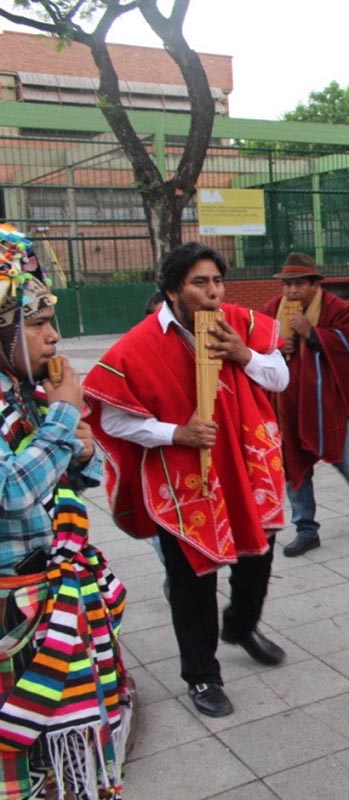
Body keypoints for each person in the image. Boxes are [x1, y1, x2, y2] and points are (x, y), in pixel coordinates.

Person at [84, 241, 290, 718]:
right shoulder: (138, 345)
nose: (213, 292)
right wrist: (174, 431)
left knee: (257, 557)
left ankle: (239, 624)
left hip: (244, 464)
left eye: (217, 281)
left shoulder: (240, 323)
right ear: (173, 289)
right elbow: (113, 420)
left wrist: (244, 355)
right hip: (182, 480)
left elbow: (279, 377)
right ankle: (201, 676)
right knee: (192, 580)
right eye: (200, 283)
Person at [0, 230, 130, 797]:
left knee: (62, 739)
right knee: (22, 746)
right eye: (36, 323)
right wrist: (62, 421)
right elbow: (9, 490)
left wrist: (76, 446)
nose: (54, 336)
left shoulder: (20, 392)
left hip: (48, 581)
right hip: (13, 602)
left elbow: (64, 475)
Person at [263, 253, 349, 557]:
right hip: (287, 405)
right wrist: (277, 346)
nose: (292, 291)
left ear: (314, 284)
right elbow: (256, 349)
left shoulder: (337, 309)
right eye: (287, 285)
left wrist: (313, 333)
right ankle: (306, 529)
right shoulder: (270, 310)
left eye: (299, 285)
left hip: (328, 403)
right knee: (294, 468)